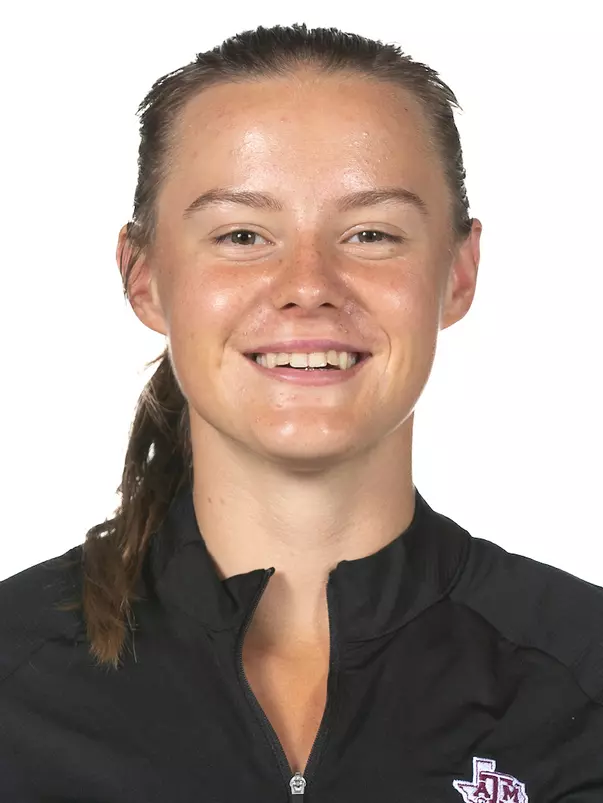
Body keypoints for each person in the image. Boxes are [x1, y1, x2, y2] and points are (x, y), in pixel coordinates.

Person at [0, 21, 601, 803]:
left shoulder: (581, 669)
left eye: (371, 233)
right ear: (144, 277)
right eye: (243, 233)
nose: (308, 282)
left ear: (456, 273)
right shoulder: (14, 675)